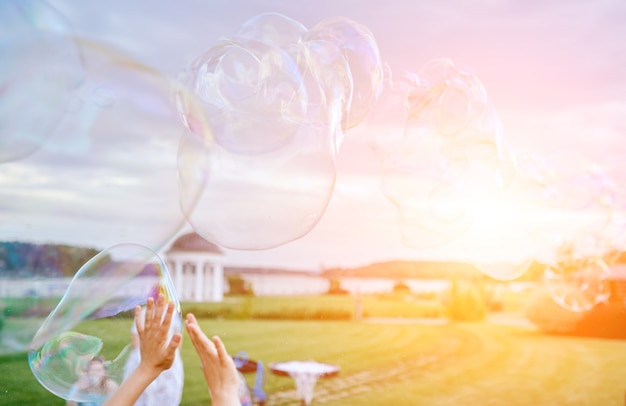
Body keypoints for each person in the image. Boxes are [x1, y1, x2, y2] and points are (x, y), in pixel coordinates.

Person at [103, 294, 241, 406]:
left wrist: (146, 368)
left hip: (156, 358)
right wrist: (225, 392)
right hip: (145, 355)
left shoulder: (172, 315)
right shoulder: (145, 313)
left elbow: (177, 337)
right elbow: (136, 339)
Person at [122, 307, 184, 405]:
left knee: (166, 390)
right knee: (142, 390)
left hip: (167, 357)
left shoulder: (174, 315)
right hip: (144, 356)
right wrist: (141, 355)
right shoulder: (144, 312)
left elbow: (179, 336)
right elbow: (135, 336)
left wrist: (173, 355)